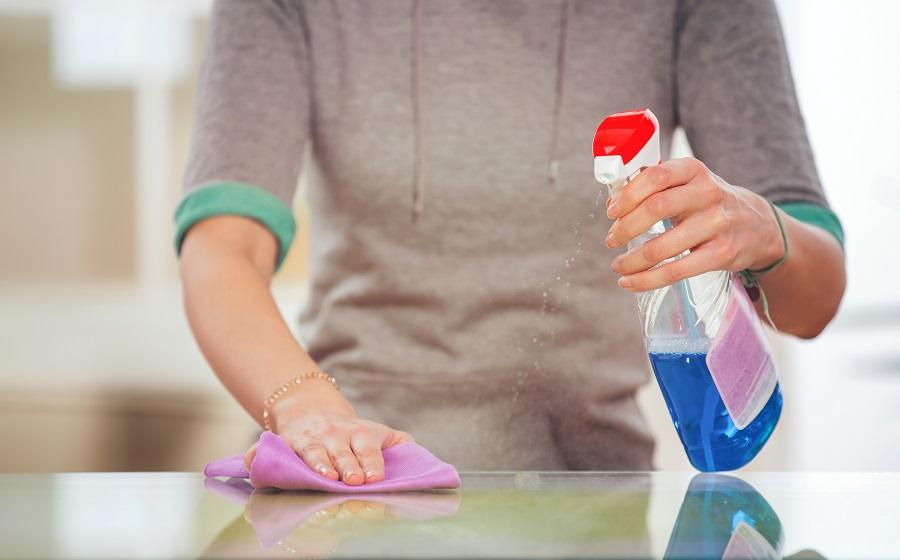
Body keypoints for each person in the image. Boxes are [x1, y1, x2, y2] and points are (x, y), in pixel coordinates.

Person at [175, 0, 845, 485]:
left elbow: (813, 302)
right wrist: (312, 414)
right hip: (349, 493)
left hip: (588, 504)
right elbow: (223, 248)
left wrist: (764, 231)